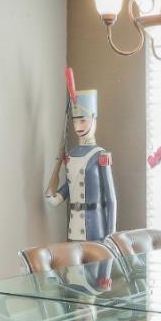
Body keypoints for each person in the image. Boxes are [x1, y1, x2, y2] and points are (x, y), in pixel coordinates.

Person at [45, 89, 117, 241]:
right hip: (74, 228)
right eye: (75, 121)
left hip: (96, 228)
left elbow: (111, 199)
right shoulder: (70, 154)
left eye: (83, 120)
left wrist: (111, 234)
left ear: (93, 120)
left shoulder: (101, 155)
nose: (78, 126)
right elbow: (71, 185)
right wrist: (57, 195)